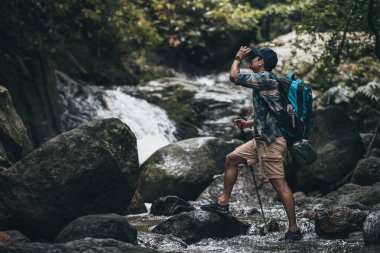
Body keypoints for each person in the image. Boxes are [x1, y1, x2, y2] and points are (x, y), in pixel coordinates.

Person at [200, 46, 303, 241]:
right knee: (231, 159)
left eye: (254, 57)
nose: (252, 59)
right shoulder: (263, 82)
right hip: (260, 140)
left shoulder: (265, 78)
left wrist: (238, 57)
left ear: (261, 62)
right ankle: (223, 203)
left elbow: (234, 77)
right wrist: (248, 123)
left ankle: (294, 229)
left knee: (280, 187)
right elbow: (270, 112)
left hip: (272, 143)